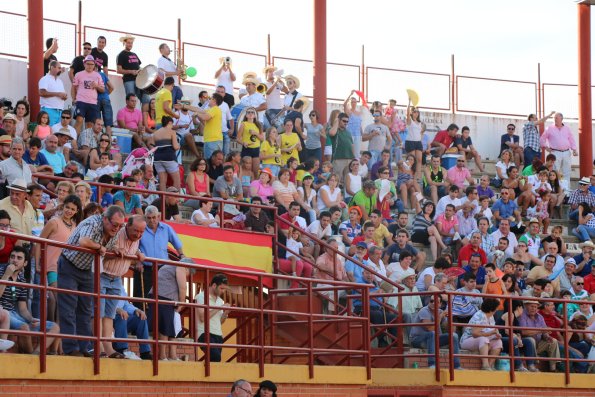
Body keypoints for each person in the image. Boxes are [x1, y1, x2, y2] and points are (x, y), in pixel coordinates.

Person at [57, 205, 126, 356]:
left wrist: (116, 248)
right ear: (105, 219)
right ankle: (71, 349)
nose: (117, 228)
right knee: (69, 308)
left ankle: (84, 347)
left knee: (87, 310)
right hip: (70, 265)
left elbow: (111, 243)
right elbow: (84, 241)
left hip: (88, 270)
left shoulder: (114, 228)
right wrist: (100, 246)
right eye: (115, 225)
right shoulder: (93, 222)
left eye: (120, 226)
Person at [99, 215, 146, 359]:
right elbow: (100, 253)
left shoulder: (136, 240)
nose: (138, 235)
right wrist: (114, 253)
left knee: (109, 314)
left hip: (117, 278)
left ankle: (108, 348)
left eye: (141, 232)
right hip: (103, 274)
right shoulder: (116, 233)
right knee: (99, 313)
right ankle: (99, 346)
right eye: (135, 231)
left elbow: (130, 249)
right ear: (127, 226)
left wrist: (137, 253)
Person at [0, 246, 60, 354]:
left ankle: (36, 354)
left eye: (19, 258)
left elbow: (22, 308)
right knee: (24, 327)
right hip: (3, 312)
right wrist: (6, 275)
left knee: (55, 327)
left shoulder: (22, 280)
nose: (15, 260)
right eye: (12, 257)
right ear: (9, 259)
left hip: (14, 314)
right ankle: (30, 358)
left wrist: (31, 319)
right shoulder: (1, 271)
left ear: (25, 263)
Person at [35, 194, 82, 322]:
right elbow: (39, 242)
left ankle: (56, 335)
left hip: (65, 269)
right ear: (63, 206)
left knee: (60, 301)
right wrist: (38, 263)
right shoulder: (54, 222)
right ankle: (52, 329)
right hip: (51, 266)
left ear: (77, 211)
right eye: (67, 207)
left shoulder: (75, 226)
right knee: (57, 299)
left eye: (72, 209)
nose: (69, 211)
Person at [135, 206, 185, 307]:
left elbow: (177, 244)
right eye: (148, 218)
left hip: (163, 269)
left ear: (159, 216)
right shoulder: (141, 228)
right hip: (145, 269)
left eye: (154, 217)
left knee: (162, 297)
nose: (152, 220)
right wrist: (138, 260)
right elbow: (134, 245)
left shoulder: (166, 228)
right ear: (145, 218)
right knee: (141, 299)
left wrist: (182, 255)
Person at [148, 258, 193, 361]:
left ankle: (172, 355)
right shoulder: (181, 266)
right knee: (165, 327)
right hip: (164, 298)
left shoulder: (169, 266)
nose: (187, 276)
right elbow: (183, 287)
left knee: (172, 328)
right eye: (188, 273)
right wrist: (182, 303)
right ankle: (162, 355)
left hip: (164, 298)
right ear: (188, 267)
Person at [410, 295, 463, 369]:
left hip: (433, 340)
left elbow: (450, 330)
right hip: (418, 340)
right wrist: (440, 317)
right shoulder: (424, 311)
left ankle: (457, 365)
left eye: (436, 302)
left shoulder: (440, 312)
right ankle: (432, 364)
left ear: (440, 304)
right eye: (431, 301)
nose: (433, 303)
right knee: (432, 334)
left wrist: (450, 318)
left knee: (454, 336)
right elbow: (430, 329)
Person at [495, 299, 539, 372]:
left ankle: (531, 365)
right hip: (501, 339)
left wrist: (520, 339)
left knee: (528, 341)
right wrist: (517, 339)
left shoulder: (516, 318)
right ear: (518, 307)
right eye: (522, 308)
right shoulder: (509, 314)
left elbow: (517, 332)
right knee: (514, 340)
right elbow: (507, 330)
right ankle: (519, 366)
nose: (523, 310)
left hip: (511, 340)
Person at [194, 273, 230, 362]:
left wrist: (225, 313)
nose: (223, 291)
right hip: (204, 333)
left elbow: (220, 321)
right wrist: (219, 308)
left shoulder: (220, 300)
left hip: (218, 335)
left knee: (215, 361)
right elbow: (202, 318)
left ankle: (202, 375)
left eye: (224, 289)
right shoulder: (201, 296)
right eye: (221, 288)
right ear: (214, 285)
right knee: (215, 357)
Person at [460, 298, 503, 370]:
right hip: (467, 340)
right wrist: (491, 333)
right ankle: (485, 365)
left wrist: (497, 334)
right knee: (483, 339)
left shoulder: (491, 316)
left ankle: (489, 366)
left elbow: (494, 330)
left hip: (482, 340)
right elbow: (475, 334)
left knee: (498, 342)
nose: (497, 310)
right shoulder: (480, 316)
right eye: (496, 308)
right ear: (491, 308)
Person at [519, 299, 560, 372]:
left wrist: (547, 336)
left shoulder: (540, 317)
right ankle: (532, 365)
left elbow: (544, 331)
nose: (534, 309)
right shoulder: (522, 315)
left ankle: (553, 369)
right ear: (526, 306)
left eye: (535, 307)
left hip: (538, 343)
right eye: (531, 306)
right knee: (530, 340)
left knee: (553, 341)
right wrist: (541, 330)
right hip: (524, 345)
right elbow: (524, 332)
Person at [112, 290, 152, 360]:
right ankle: (122, 350)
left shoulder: (120, 287)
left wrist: (136, 310)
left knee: (141, 318)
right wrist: (117, 310)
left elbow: (126, 304)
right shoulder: (103, 282)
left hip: (121, 318)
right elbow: (103, 302)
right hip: (109, 318)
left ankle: (145, 353)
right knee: (122, 316)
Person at [540, 112, 578, 180]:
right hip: (555, 152)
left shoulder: (567, 128)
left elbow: (571, 139)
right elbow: (542, 139)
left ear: (561, 119)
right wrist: (546, 147)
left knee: (566, 172)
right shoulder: (549, 128)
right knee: (554, 171)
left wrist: (574, 149)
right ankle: (555, 188)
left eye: (556, 118)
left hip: (566, 152)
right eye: (554, 118)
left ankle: (566, 189)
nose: (555, 119)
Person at [72, 55, 104, 133]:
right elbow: (73, 88)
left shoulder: (98, 75)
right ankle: (74, 141)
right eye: (88, 64)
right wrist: (74, 99)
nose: (90, 66)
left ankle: (86, 142)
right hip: (81, 101)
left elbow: (103, 89)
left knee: (90, 124)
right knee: (79, 120)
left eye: (92, 64)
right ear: (84, 64)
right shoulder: (78, 74)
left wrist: (96, 86)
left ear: (94, 65)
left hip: (92, 103)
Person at [117, 34, 149, 109]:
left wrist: (142, 70)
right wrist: (131, 72)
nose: (130, 44)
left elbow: (139, 66)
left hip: (139, 80)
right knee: (131, 100)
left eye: (131, 43)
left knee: (146, 99)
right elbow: (119, 70)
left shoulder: (134, 54)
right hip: (129, 80)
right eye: (128, 42)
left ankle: (143, 119)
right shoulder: (121, 54)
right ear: (124, 43)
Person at [153, 116, 181, 191]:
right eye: (172, 124)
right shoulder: (172, 132)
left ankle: (163, 201)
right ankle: (176, 199)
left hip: (157, 157)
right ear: (169, 123)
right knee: (177, 180)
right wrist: (179, 145)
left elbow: (153, 145)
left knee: (162, 182)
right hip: (169, 156)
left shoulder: (155, 133)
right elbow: (175, 147)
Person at [39, 60, 67, 126]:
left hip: (60, 111)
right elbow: (42, 93)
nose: (60, 70)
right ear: (52, 68)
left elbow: (61, 95)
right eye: (59, 68)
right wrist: (58, 94)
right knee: (48, 133)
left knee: (57, 133)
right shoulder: (45, 79)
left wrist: (64, 96)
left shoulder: (60, 81)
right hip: (48, 110)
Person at [328, 112, 354, 177]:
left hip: (349, 159)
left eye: (347, 121)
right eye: (344, 121)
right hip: (338, 159)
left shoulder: (348, 132)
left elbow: (352, 145)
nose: (346, 123)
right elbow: (332, 133)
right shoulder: (335, 130)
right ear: (339, 120)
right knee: (336, 179)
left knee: (347, 179)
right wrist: (336, 122)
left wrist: (354, 158)